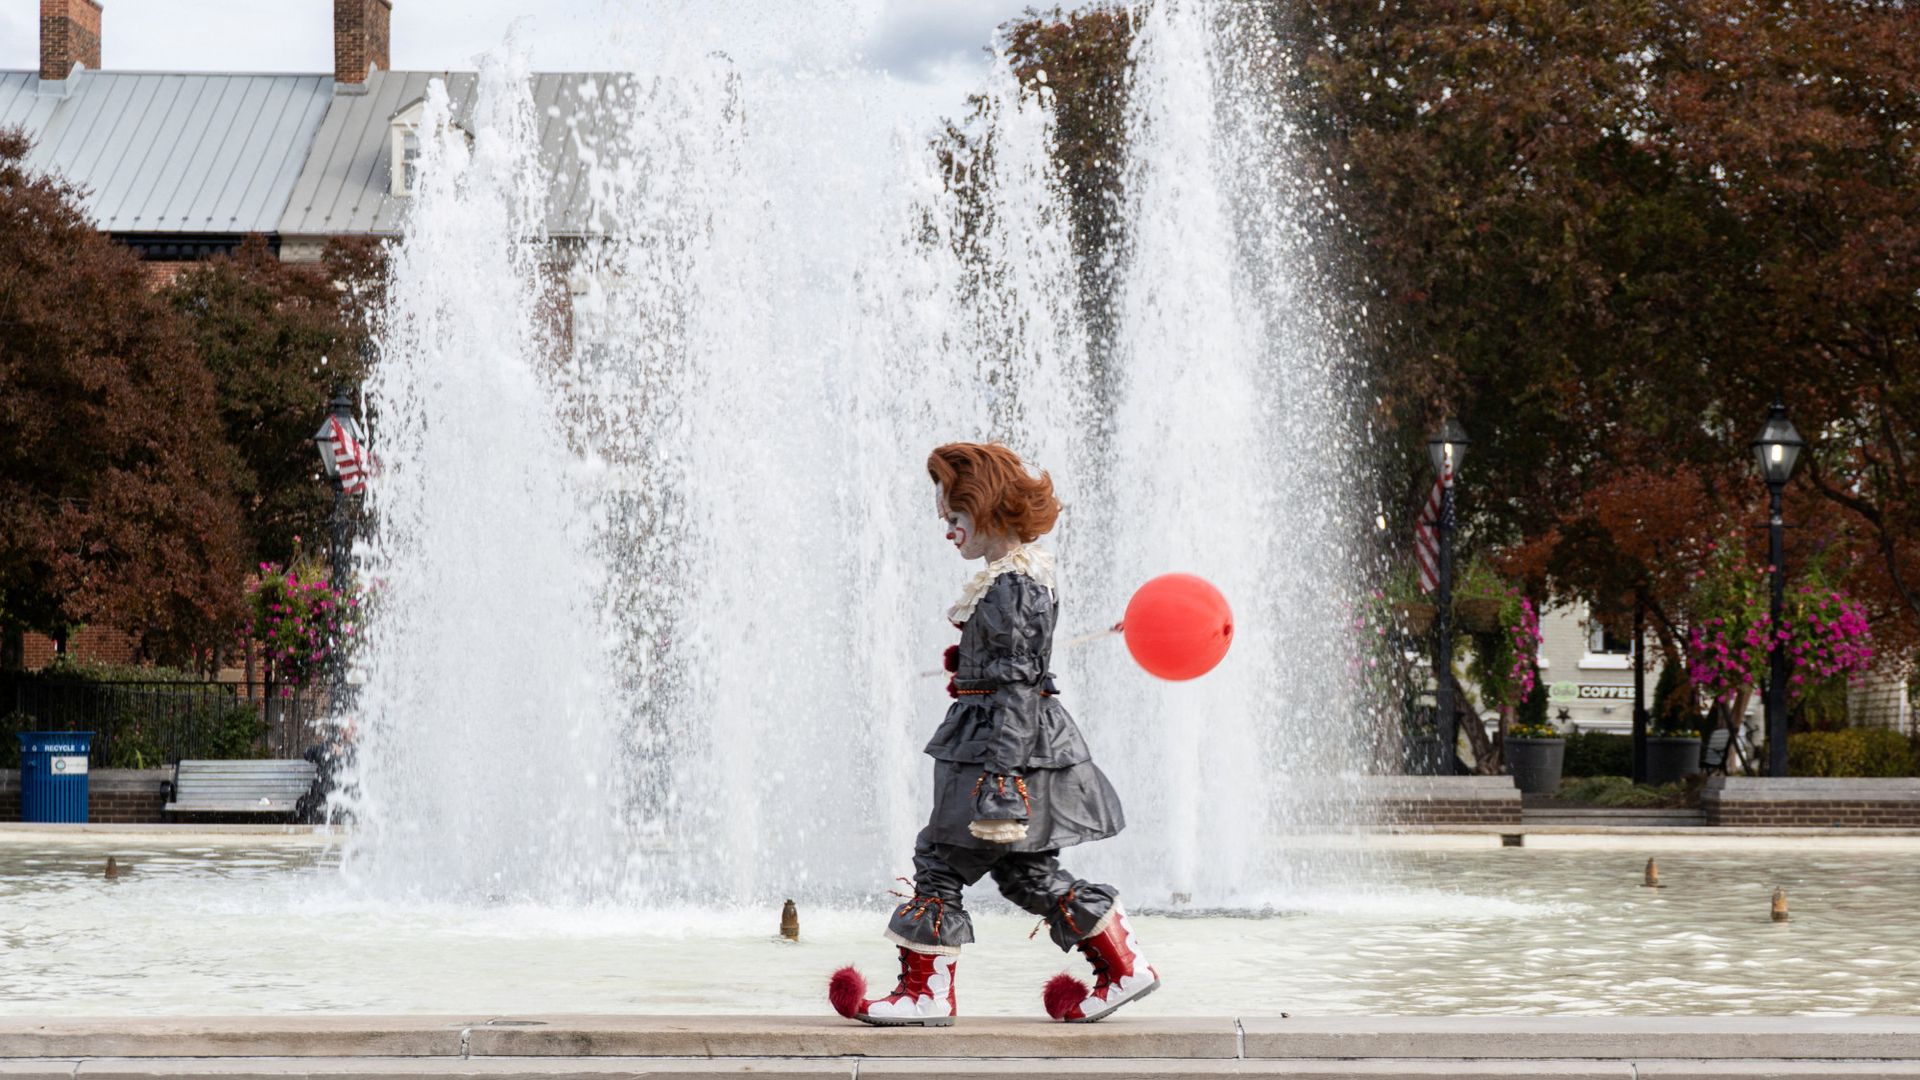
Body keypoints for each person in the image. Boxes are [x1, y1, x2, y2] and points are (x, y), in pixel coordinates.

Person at [828, 442, 1158, 1026]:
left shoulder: (1011, 588)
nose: (946, 527)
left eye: (954, 515)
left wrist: (1001, 780)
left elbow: (1019, 687)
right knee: (1023, 871)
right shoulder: (1015, 582)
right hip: (1000, 741)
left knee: (939, 860)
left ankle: (924, 994)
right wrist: (972, 664)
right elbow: (1012, 673)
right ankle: (1122, 966)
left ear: (987, 507)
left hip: (998, 750)